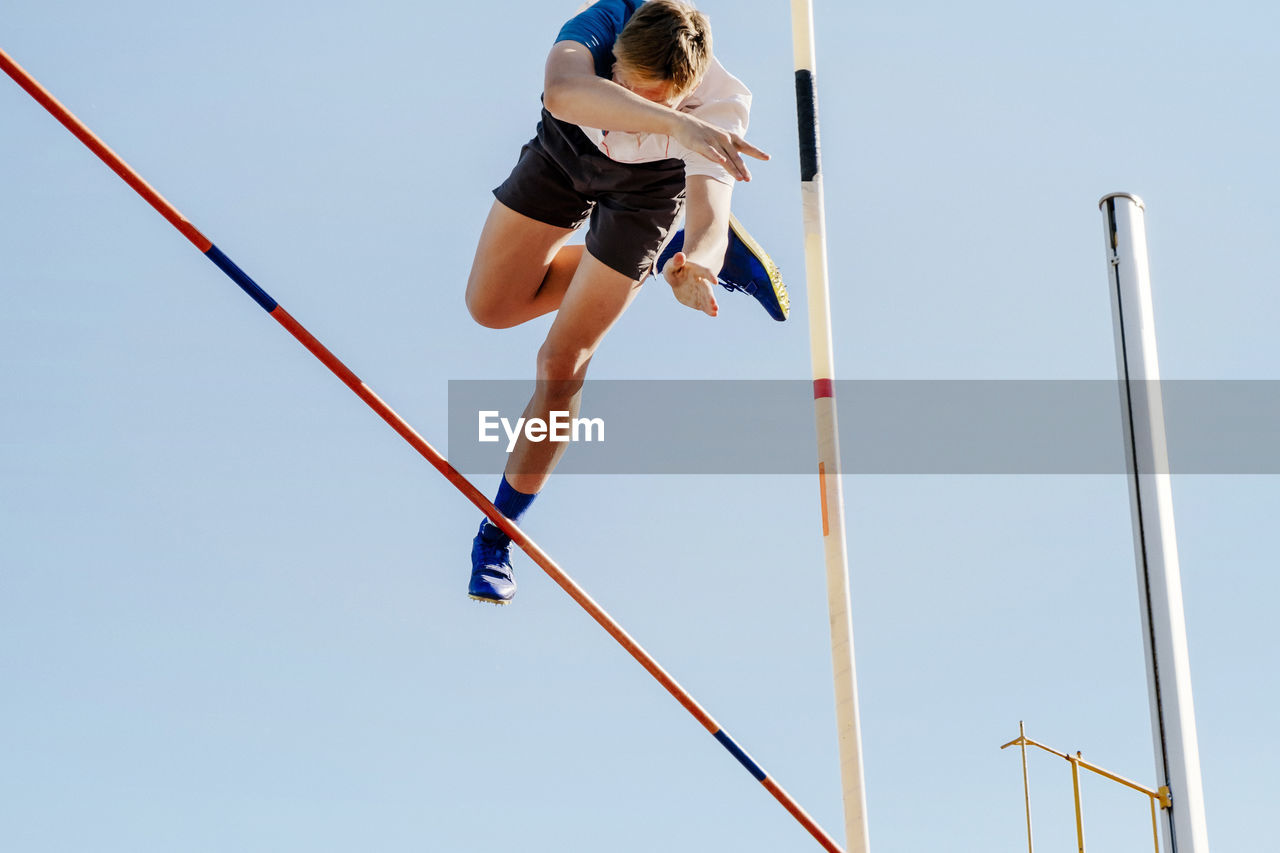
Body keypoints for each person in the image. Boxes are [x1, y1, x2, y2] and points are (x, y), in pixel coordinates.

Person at [464, 0, 782, 604]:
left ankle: (497, 535)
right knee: (492, 309)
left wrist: (704, 267)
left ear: (684, 88)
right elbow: (561, 91)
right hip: (566, 150)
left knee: (561, 366)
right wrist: (670, 124)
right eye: (621, 83)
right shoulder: (607, 21)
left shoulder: (720, 105)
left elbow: (712, 215)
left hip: (651, 193)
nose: (630, 103)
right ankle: (649, 258)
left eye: (652, 97)